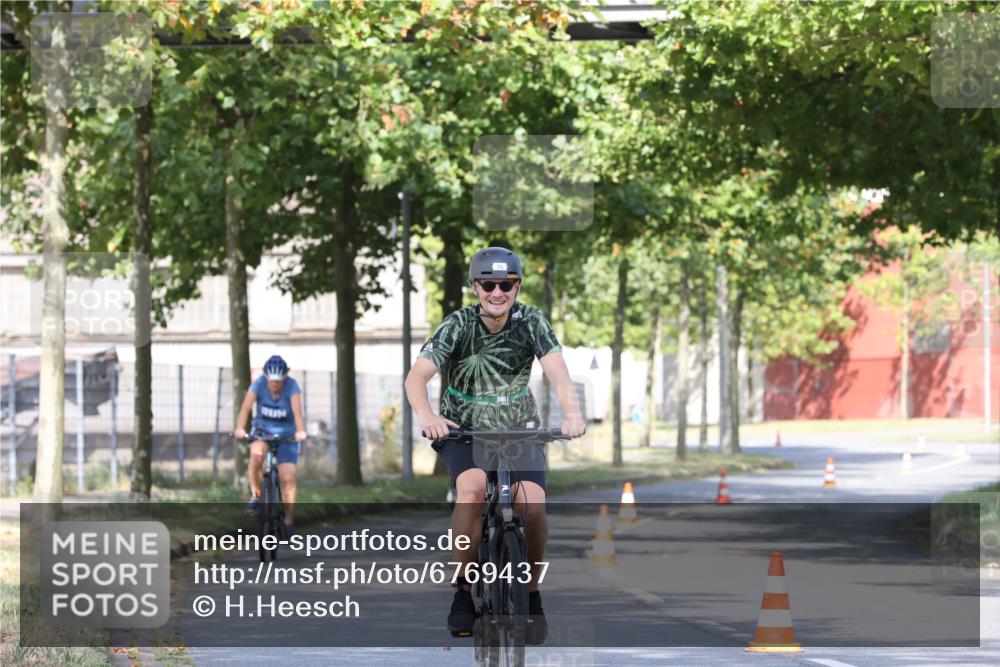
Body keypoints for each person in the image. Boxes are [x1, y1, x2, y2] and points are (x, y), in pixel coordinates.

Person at [404, 247, 586, 643]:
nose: (497, 292)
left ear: (517, 286)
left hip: (519, 430)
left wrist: (573, 414)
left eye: (506, 284)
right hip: (464, 430)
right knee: (471, 490)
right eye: (489, 285)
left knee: (532, 506)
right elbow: (416, 378)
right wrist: (429, 417)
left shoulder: (531, 320)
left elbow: (558, 374)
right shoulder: (458, 324)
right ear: (475, 287)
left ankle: (531, 595)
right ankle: (462, 591)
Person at [234, 355, 308, 537]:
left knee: (287, 478)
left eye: (279, 381)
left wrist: (301, 431)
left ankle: (288, 520)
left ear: (284, 378)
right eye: (272, 380)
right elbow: (245, 408)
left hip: (287, 434)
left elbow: (297, 413)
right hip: (263, 431)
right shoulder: (258, 384)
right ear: (266, 377)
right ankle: (256, 495)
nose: (275, 384)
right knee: (257, 454)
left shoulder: (292, 387)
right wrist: (240, 428)